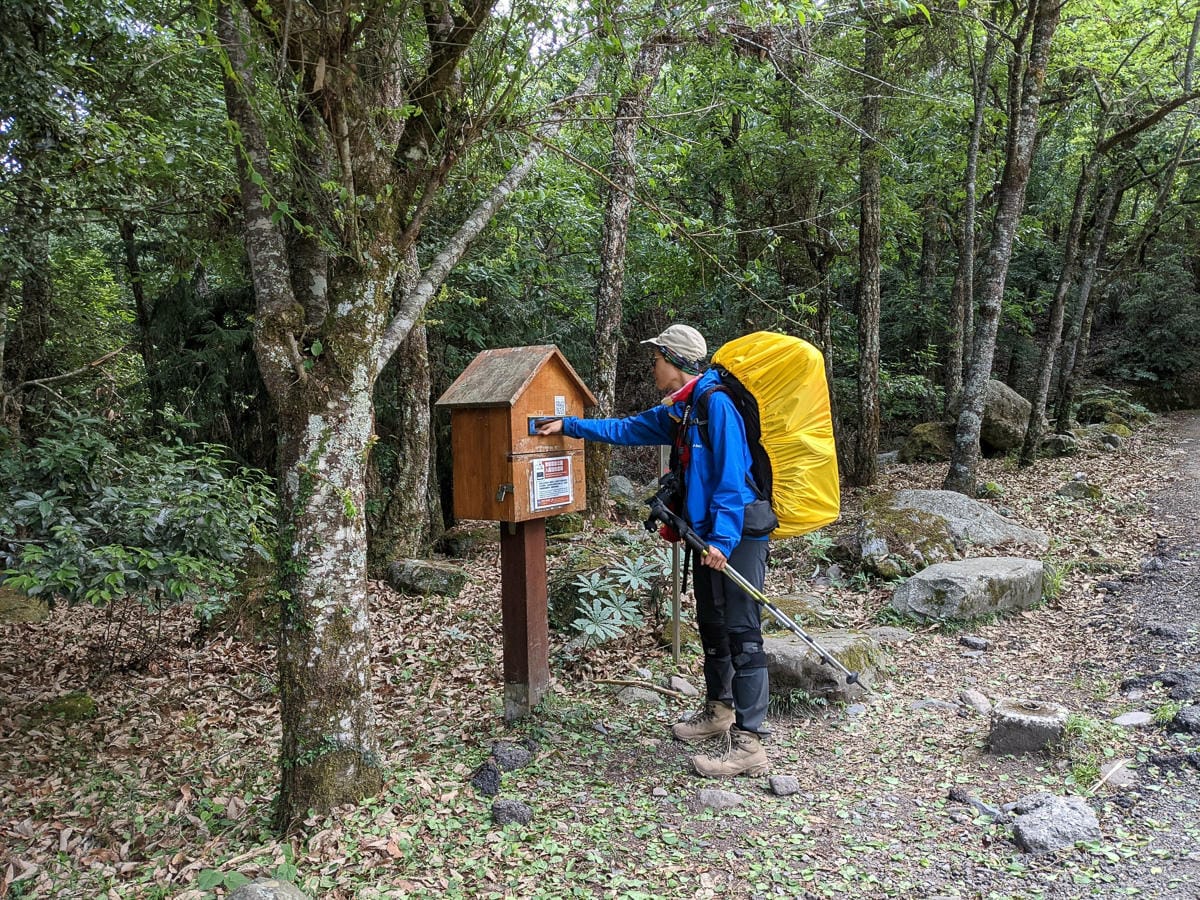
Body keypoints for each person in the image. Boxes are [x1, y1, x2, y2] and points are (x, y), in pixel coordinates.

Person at [537, 324, 771, 778]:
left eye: (656, 358)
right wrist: (569, 425)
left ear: (673, 359)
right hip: (705, 535)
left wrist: (722, 542)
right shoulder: (683, 410)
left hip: (737, 535)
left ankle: (750, 744)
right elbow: (628, 428)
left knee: (742, 631)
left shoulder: (715, 404)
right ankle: (719, 711)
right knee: (712, 625)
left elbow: (730, 479)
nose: (652, 366)